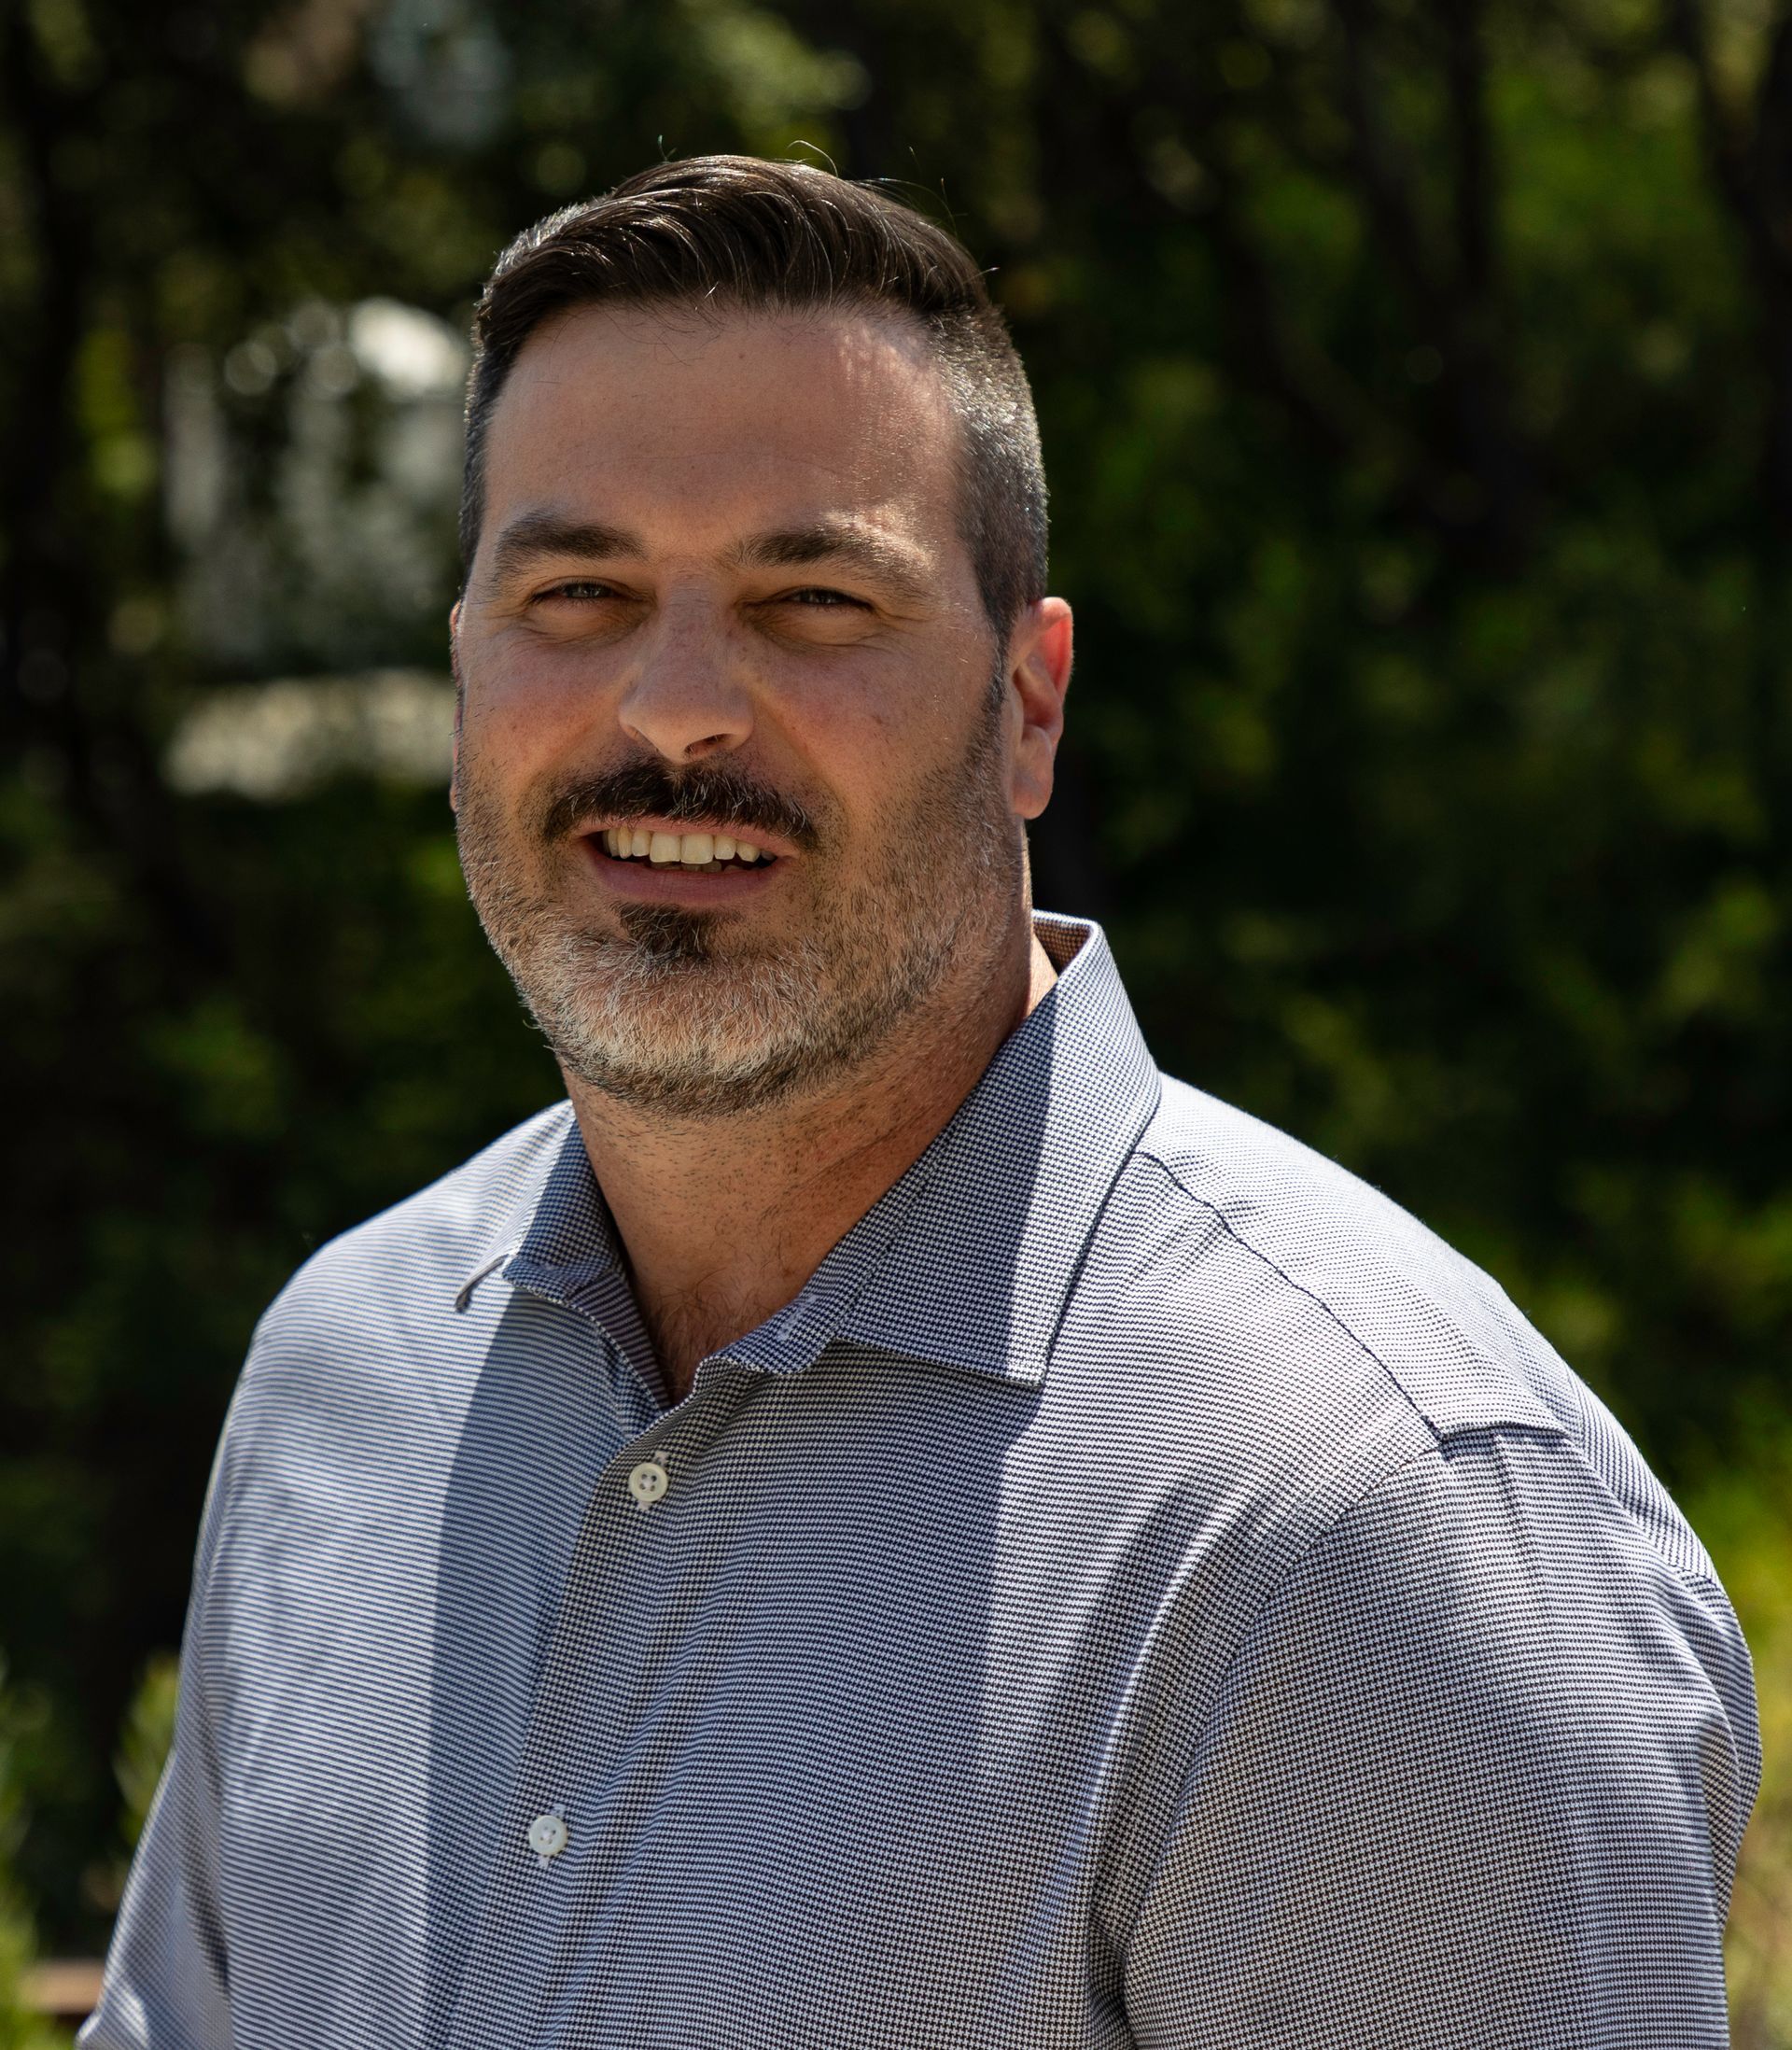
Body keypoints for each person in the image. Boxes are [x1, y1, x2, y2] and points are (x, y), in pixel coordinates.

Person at [84, 155, 1759, 2050]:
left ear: (1029, 708)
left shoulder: (1368, 1530)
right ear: (466, 666)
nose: (678, 709)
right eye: (577, 591)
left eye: (814, 600)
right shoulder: (345, 1369)